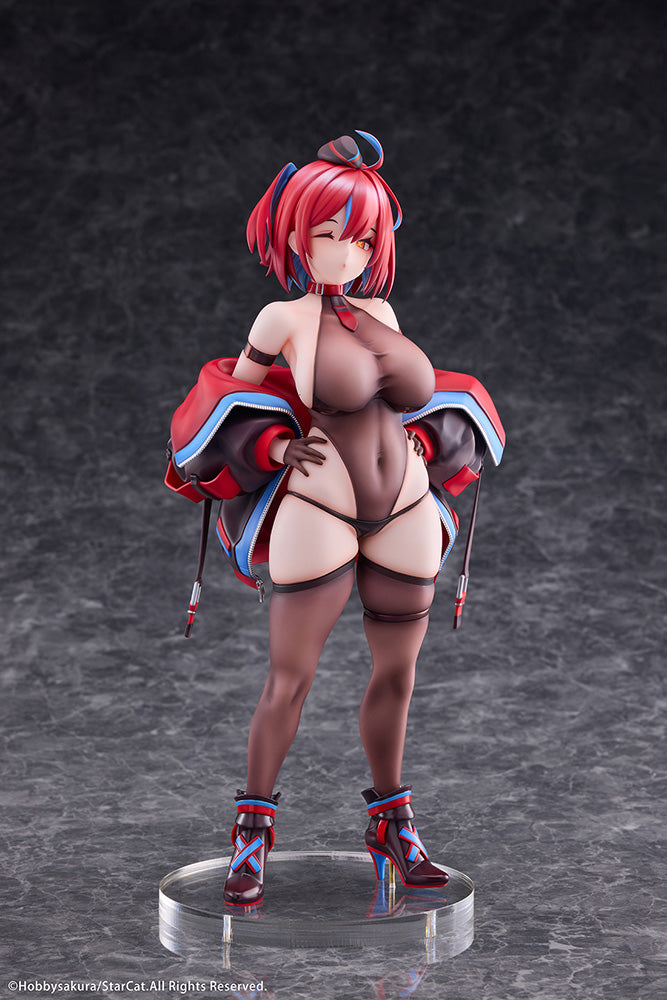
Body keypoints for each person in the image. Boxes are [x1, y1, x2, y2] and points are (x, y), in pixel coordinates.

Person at [165, 132, 505, 906]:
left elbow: (404, 397)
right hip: (319, 506)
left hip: (405, 508)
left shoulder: (380, 307)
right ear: (295, 236)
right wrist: (273, 445)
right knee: (290, 677)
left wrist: (426, 442)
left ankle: (392, 825)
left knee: (398, 674)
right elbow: (224, 401)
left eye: (362, 238)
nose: (346, 253)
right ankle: (251, 832)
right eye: (328, 234)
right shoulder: (280, 317)